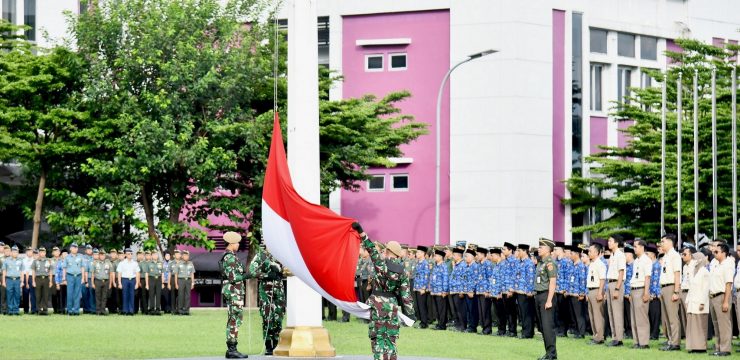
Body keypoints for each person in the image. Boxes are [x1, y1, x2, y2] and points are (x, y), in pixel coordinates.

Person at [353, 222, 414, 360]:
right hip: (392, 306)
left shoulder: (380, 263)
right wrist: (411, 313)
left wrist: (361, 231)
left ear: (386, 251)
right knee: (391, 340)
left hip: (378, 305)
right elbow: (406, 294)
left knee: (379, 339)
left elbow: (370, 248)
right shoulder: (402, 271)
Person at [248, 244, 286, 356]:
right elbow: (252, 271)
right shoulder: (261, 256)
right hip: (266, 291)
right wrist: (267, 275)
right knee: (267, 317)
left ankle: (278, 344)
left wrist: (280, 271)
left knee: (278, 317)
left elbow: (289, 270)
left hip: (279, 291)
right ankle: (269, 345)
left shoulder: (280, 255)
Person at [220, 231, 249, 359]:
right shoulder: (230, 257)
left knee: (235, 318)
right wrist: (246, 276)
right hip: (233, 292)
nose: (238, 245)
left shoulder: (231, 256)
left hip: (234, 291)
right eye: (237, 243)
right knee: (234, 319)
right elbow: (233, 277)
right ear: (232, 243)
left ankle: (231, 349)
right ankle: (232, 349)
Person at [708, 242, 734, 356]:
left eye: (716, 251)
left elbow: (728, 284)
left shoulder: (727, 264)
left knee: (724, 325)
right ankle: (718, 347)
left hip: (722, 296)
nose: (714, 253)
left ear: (724, 253)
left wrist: (725, 302)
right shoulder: (716, 264)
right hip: (713, 297)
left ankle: (725, 349)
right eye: (713, 251)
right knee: (716, 324)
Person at [534, 238, 558, 360]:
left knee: (548, 327)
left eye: (541, 247)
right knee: (543, 327)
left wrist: (549, 300)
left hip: (546, 296)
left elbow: (552, 282)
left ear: (548, 250)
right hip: (538, 295)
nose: (539, 249)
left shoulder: (550, 263)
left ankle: (552, 355)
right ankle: (548, 353)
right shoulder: (540, 262)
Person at [658, 234, 682, 351]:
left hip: (671, 287)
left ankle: (675, 343)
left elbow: (677, 274)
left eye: (663, 241)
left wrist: (676, 291)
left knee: (672, 317)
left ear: (669, 242)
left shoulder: (675, 256)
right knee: (666, 317)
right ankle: (670, 340)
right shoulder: (666, 256)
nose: (661, 244)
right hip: (663, 287)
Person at [629, 239, 652, 349]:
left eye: (636, 246)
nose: (634, 248)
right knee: (634, 317)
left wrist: (646, 292)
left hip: (641, 289)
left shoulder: (646, 260)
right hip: (634, 289)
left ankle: (643, 342)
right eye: (634, 246)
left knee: (641, 317)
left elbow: (647, 277)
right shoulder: (636, 260)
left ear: (642, 247)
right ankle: (636, 341)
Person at [685, 252, 709, 353]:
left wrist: (702, 302)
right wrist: (687, 299)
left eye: (696, 259)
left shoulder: (705, 272)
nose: (694, 261)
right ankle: (693, 346)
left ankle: (701, 347)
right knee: (692, 326)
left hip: (700, 302)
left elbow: (706, 289)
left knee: (699, 326)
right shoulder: (693, 270)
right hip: (692, 302)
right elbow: (691, 287)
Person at [605, 235, 626, 346]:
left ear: (616, 243)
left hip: (616, 284)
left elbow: (621, 273)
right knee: (611, 311)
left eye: (610, 241)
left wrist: (617, 288)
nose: (608, 243)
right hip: (610, 283)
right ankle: (614, 337)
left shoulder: (620, 255)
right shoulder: (612, 255)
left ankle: (619, 338)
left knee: (617, 312)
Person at [514, 244, 535, 339]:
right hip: (519, 291)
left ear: (524, 251)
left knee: (527, 313)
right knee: (522, 313)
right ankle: (525, 330)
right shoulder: (519, 262)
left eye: (519, 251)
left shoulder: (529, 263)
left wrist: (529, 291)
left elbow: (530, 278)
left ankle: (528, 333)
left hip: (525, 292)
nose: (518, 253)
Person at [567, 245, 587, 339]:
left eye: (571, 253)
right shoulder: (571, 265)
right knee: (573, 314)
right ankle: (576, 331)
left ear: (576, 254)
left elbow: (582, 280)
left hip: (577, 293)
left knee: (579, 314)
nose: (570, 255)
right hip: (571, 293)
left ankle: (581, 332)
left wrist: (582, 293)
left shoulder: (581, 266)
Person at [62, 243, 85, 316]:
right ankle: (69, 310)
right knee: (70, 293)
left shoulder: (81, 257)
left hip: (78, 276)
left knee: (77, 294)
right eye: (73, 247)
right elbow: (64, 268)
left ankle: (76, 310)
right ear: (70, 248)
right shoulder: (67, 257)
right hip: (70, 276)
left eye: (76, 247)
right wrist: (64, 278)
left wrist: (83, 278)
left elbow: (83, 268)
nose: (75, 249)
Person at [429, 248, 449, 331]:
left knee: (442, 309)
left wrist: (444, 290)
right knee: (436, 308)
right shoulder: (436, 266)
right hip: (435, 291)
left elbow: (445, 279)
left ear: (441, 257)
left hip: (441, 291)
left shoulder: (443, 266)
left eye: (436, 256)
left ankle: (442, 325)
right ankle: (438, 323)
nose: (434, 257)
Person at [475, 247, 493, 335]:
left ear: (482, 254)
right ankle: (483, 327)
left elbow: (490, 278)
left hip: (485, 291)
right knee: (481, 310)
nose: (476, 256)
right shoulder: (479, 264)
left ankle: (487, 328)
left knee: (486, 311)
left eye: (477, 254)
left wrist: (488, 290)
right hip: (479, 290)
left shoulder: (487, 264)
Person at [116, 248, 140, 316]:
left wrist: (137, 283)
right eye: (129, 254)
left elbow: (137, 273)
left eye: (131, 254)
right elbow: (119, 273)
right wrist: (120, 283)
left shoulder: (135, 263)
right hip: (125, 280)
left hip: (132, 279)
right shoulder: (122, 263)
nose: (130, 255)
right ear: (126, 255)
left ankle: (131, 310)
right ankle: (125, 310)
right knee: (125, 295)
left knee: (132, 295)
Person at [412, 245, 431, 329]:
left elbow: (426, 276)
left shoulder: (425, 263)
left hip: (422, 288)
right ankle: (422, 321)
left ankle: (424, 323)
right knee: (419, 305)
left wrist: (423, 288)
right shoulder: (418, 263)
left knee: (422, 306)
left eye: (418, 252)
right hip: (417, 287)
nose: (417, 254)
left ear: (423, 253)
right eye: (417, 252)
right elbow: (417, 275)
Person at [646, 244, 662, 340]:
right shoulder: (648, 265)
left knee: (655, 315)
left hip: (655, 295)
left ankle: (655, 333)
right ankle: (651, 332)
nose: (646, 255)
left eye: (647, 254)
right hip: (648, 294)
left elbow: (657, 280)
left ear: (653, 255)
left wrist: (655, 294)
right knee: (650, 315)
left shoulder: (657, 265)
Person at [449, 247, 467, 332]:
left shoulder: (463, 265)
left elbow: (464, 279)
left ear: (459, 256)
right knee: (456, 309)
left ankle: (462, 326)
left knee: (461, 310)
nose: (453, 256)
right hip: (453, 290)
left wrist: (462, 291)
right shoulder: (456, 265)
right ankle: (457, 325)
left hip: (459, 290)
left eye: (454, 255)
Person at [91, 249, 114, 315]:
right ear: (99, 256)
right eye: (101, 255)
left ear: (105, 255)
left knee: (104, 296)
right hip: (98, 281)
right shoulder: (95, 263)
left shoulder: (108, 263)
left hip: (106, 281)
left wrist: (110, 283)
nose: (102, 256)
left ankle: (103, 310)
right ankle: (98, 310)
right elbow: (93, 273)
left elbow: (111, 273)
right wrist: (92, 283)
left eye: (103, 255)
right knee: (98, 296)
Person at [31, 247, 52, 315]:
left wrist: (51, 281)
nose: (42, 253)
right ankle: (39, 309)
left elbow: (50, 271)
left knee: (46, 295)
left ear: (45, 253)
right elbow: (33, 271)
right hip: (38, 279)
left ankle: (45, 310)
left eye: (43, 252)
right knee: (38, 295)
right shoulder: (35, 261)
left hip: (46, 279)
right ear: (39, 253)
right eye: (41, 252)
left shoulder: (48, 261)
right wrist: (33, 281)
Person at [3, 245, 23, 315]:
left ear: (18, 253)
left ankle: (16, 310)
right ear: (11, 252)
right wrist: (3, 281)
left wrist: (22, 281)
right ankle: (10, 310)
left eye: (16, 252)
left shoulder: (20, 261)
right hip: (9, 280)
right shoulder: (6, 261)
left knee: (17, 295)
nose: (15, 253)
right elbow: (4, 271)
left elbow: (22, 272)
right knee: (9, 295)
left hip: (17, 280)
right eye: (14, 252)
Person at [175, 250, 195, 315]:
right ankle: (180, 310)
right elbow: (176, 274)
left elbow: (192, 274)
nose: (186, 257)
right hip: (181, 280)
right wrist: (176, 283)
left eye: (187, 255)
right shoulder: (179, 264)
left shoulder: (191, 263)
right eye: (185, 255)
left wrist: (192, 283)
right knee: (181, 295)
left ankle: (186, 310)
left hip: (188, 281)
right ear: (182, 256)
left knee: (188, 296)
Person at [146, 250, 163, 315]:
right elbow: (146, 274)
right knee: (151, 295)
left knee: (158, 295)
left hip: (159, 279)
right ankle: (152, 309)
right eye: (153, 255)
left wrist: (162, 283)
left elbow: (162, 273)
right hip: (151, 279)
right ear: (152, 256)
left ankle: (158, 309)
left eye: (156, 254)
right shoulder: (149, 263)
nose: (155, 256)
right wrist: (147, 284)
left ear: (157, 255)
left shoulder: (160, 263)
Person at [21, 247, 36, 314]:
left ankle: (33, 309)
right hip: (25, 277)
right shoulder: (23, 260)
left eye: (31, 251)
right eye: (28, 251)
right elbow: (22, 271)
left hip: (32, 277)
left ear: (32, 252)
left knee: (33, 294)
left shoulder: (35, 260)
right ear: (26, 252)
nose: (29, 252)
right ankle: (26, 310)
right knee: (25, 294)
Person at [54, 250, 67, 314]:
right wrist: (57, 283)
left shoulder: (70, 262)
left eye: (66, 254)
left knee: (67, 297)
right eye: (64, 254)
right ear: (61, 255)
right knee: (61, 297)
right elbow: (57, 273)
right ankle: (61, 310)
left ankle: (67, 309)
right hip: (61, 282)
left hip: (69, 282)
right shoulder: (59, 262)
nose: (65, 255)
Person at [168, 249, 181, 314]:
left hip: (180, 279)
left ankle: (179, 309)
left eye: (179, 254)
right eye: (176, 254)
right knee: (173, 294)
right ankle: (173, 309)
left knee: (180, 294)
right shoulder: (171, 263)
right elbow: (169, 273)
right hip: (172, 279)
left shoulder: (182, 262)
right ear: (174, 255)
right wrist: (168, 283)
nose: (178, 255)